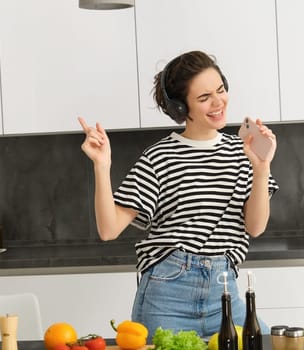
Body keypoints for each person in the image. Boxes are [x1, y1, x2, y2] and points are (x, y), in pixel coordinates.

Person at [78, 50, 278, 338]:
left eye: (220, 90)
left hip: (224, 293)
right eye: (204, 97)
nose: (218, 102)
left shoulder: (243, 151)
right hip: (167, 295)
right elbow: (108, 229)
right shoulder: (160, 157)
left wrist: (261, 168)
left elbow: (255, 227)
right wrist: (102, 165)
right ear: (181, 109)